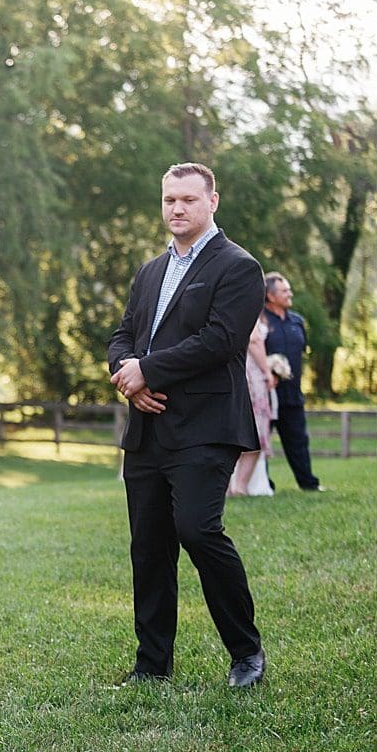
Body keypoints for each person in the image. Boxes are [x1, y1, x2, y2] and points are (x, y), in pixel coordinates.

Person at [107, 162, 268, 688]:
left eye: (189, 200)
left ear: (212, 202)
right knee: (149, 546)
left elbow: (221, 340)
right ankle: (152, 666)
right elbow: (123, 333)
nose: (177, 209)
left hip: (205, 424)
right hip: (147, 429)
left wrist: (148, 369)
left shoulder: (239, 267)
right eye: (170, 200)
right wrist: (125, 372)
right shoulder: (150, 270)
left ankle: (247, 653)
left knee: (198, 530)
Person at [261, 272, 324, 492]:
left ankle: (308, 483)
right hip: (266, 392)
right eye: (284, 290)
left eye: (289, 289)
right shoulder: (260, 320)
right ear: (270, 295)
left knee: (298, 440)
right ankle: (263, 485)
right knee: (261, 441)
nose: (290, 294)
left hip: (293, 393)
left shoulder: (297, 321)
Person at [228, 310, 276, 497]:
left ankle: (232, 486)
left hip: (240, 373)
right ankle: (240, 486)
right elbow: (254, 340)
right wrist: (267, 371)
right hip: (252, 377)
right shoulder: (248, 308)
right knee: (254, 431)